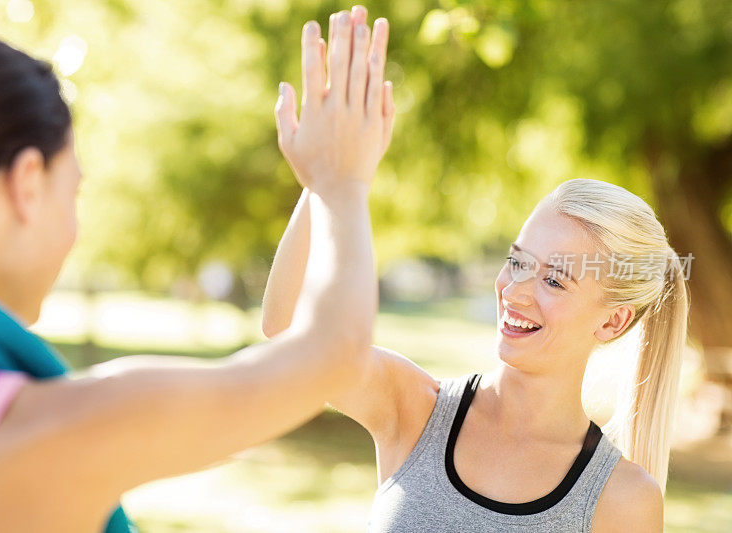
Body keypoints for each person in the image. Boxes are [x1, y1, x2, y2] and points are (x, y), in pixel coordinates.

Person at [0, 8, 394, 533]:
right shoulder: (38, 434)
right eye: (73, 192)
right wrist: (342, 181)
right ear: (28, 183)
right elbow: (330, 356)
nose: (73, 229)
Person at [263, 13, 688, 527]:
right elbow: (287, 331)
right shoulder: (416, 410)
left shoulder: (622, 500)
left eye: (555, 279)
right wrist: (329, 179)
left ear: (613, 321)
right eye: (517, 262)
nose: (516, 291)